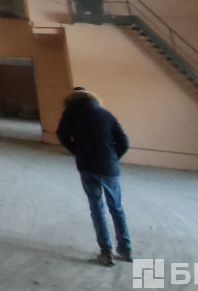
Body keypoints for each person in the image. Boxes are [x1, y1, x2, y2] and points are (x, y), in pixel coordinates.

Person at [56, 87, 131, 267]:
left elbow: (61, 135)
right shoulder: (106, 114)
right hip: (109, 168)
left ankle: (106, 252)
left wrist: (76, 151)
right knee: (116, 207)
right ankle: (125, 249)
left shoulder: (70, 114)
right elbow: (124, 142)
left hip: (87, 166)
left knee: (97, 208)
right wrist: (112, 158)